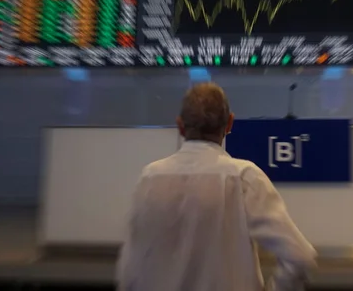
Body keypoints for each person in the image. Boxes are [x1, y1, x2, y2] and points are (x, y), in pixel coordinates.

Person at [116, 82, 316, 291]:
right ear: (229, 124)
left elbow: (130, 269)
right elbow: (300, 256)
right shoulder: (244, 178)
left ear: (180, 126)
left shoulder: (149, 178)